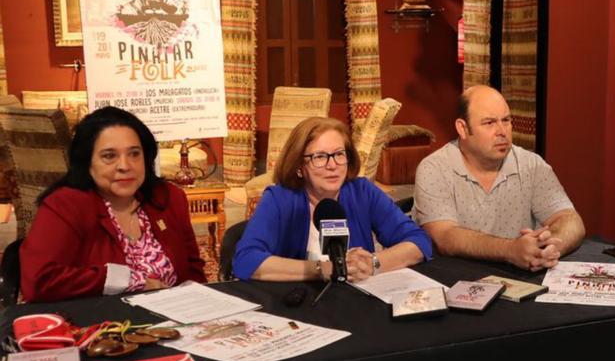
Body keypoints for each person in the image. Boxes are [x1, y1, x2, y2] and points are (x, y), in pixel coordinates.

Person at [19, 107, 205, 302]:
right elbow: (38, 281)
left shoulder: (168, 197)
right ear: (87, 162)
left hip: (175, 323)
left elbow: (194, 270)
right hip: (101, 325)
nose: (125, 166)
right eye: (109, 156)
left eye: (134, 154)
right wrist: (131, 281)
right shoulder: (65, 205)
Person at [233, 117, 431, 282]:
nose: (332, 165)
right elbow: (246, 261)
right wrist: (324, 269)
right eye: (319, 157)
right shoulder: (279, 198)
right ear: (299, 167)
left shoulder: (361, 191)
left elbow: (419, 242)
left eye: (338, 154)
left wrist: (372, 264)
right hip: (299, 306)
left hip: (355, 301)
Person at [414, 85, 585, 271]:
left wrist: (549, 246)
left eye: (506, 120)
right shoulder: (434, 168)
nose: (502, 131)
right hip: (455, 277)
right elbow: (444, 237)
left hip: (518, 278)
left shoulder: (531, 164)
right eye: (489, 123)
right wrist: (510, 250)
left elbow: (570, 219)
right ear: (462, 128)